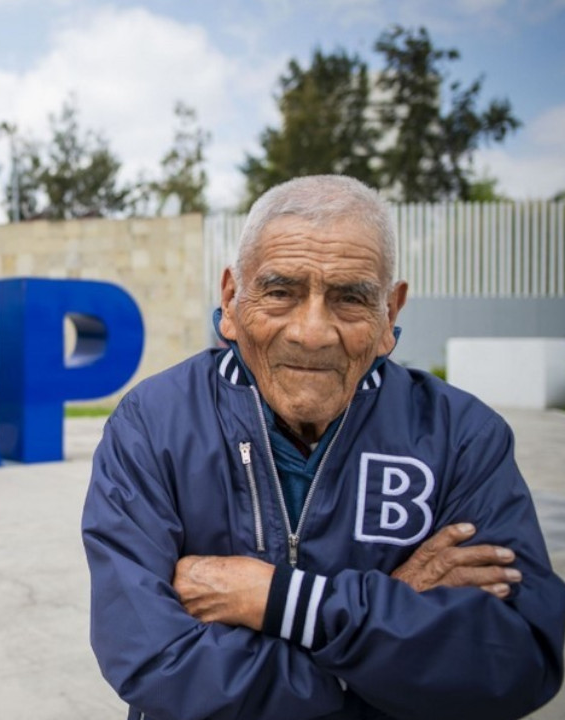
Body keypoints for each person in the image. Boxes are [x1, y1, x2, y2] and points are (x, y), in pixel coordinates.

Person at [81, 174, 565, 720]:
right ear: (231, 299)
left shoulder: (462, 437)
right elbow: (154, 663)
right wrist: (387, 612)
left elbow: (519, 658)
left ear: (391, 313)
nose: (311, 332)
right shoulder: (153, 423)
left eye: (350, 298)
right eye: (281, 291)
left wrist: (280, 600)